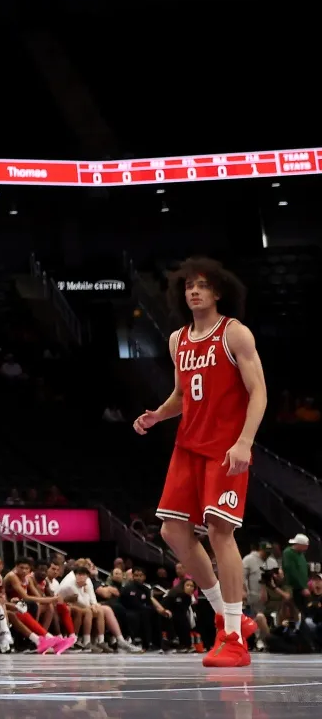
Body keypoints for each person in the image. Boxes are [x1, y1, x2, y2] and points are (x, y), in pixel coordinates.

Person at [136, 256, 268, 668]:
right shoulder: (178, 339)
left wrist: (245, 442)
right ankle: (228, 615)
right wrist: (158, 414)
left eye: (203, 285)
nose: (194, 290)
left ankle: (232, 638)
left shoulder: (235, 333)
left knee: (219, 531)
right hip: (188, 445)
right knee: (173, 532)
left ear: (218, 291)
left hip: (225, 447)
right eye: (189, 285)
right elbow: (181, 395)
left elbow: (259, 392)